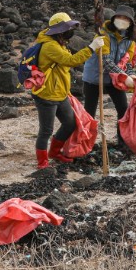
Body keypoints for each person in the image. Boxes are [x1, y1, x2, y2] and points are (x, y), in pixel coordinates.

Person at [29, 12, 105, 168]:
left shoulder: (59, 42)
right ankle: (42, 161)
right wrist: (92, 48)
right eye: (67, 28)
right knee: (46, 130)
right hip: (47, 95)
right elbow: (71, 61)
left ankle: (54, 152)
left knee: (70, 124)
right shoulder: (50, 46)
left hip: (61, 93)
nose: (71, 31)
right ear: (59, 31)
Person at [82, 5, 136, 156]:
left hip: (114, 80)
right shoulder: (103, 35)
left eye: (126, 19)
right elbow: (106, 61)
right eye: (120, 17)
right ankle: (84, 144)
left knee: (123, 109)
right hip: (95, 77)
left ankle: (123, 142)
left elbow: (127, 61)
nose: (122, 20)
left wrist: (132, 74)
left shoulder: (130, 41)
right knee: (89, 112)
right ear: (114, 18)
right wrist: (124, 76)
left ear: (131, 23)